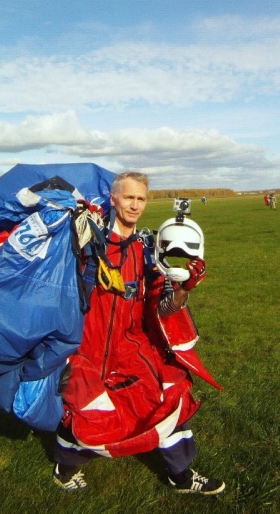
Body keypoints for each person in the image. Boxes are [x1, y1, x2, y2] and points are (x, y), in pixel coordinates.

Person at [52, 171, 225, 495]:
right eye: (128, 197)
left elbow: (162, 311)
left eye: (141, 198)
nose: (134, 205)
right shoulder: (86, 240)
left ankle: (181, 475)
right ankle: (64, 468)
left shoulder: (146, 250)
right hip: (86, 347)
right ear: (114, 198)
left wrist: (184, 289)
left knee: (168, 392)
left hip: (130, 347)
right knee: (86, 412)